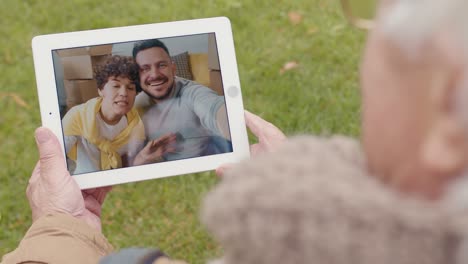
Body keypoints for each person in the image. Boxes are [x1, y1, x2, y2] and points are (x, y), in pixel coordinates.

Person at [4, 0, 468, 263]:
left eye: (376, 25)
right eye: (141, 71)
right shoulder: (131, 107)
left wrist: (60, 229)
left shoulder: (191, 94)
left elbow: (217, 112)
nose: (152, 76)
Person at [62, 55, 176, 174]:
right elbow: (54, 156)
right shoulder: (77, 116)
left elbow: (126, 166)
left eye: (130, 88)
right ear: (101, 90)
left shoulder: (136, 125)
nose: (124, 93)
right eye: (116, 86)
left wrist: (142, 158)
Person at [132, 39, 232, 162]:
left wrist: (232, 121)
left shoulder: (192, 93)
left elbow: (214, 108)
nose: (154, 75)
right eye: (145, 69)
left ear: (173, 68)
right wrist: (141, 159)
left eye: (162, 65)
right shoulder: (135, 104)